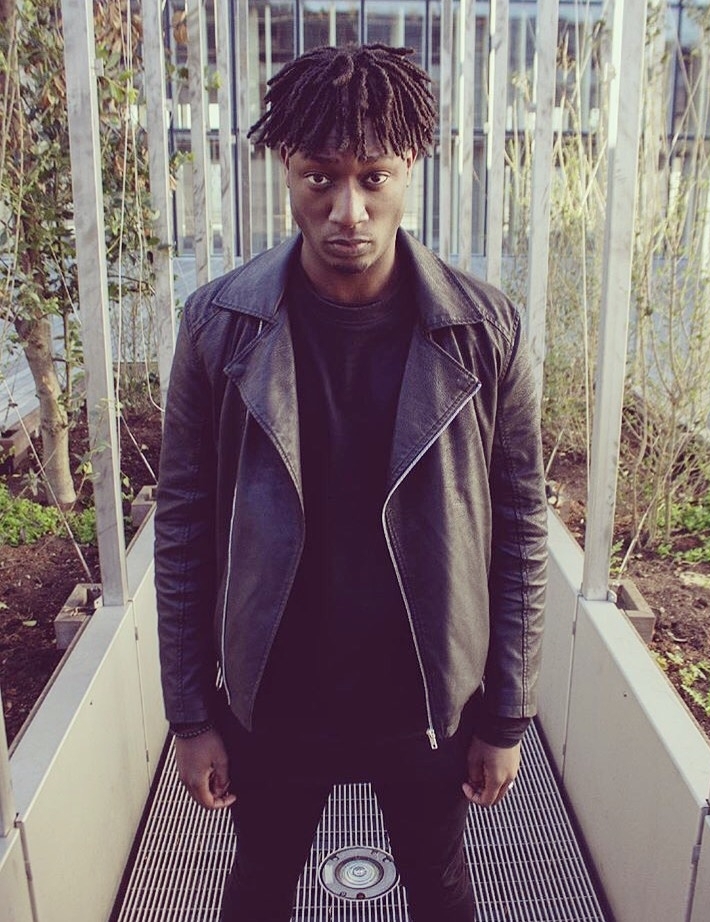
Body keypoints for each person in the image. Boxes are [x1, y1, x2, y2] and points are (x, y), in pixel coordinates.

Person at [155, 43, 547, 922]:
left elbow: (520, 528)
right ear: (285, 173)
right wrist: (191, 716)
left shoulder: (485, 331)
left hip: (426, 694)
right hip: (273, 694)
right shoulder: (219, 324)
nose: (348, 210)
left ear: (411, 170)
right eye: (319, 178)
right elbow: (182, 528)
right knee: (259, 887)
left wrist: (507, 717)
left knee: (440, 889)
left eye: (374, 178)